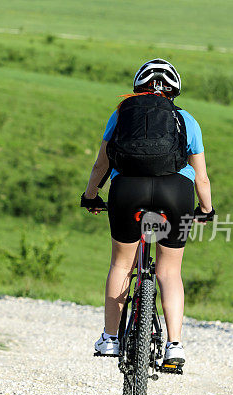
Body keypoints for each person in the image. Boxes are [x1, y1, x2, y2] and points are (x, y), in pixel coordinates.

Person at [80, 59, 214, 371]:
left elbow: (101, 165)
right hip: (176, 193)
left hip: (127, 190)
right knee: (169, 272)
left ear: (138, 88)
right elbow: (202, 178)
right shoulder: (186, 120)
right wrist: (206, 210)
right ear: (174, 92)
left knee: (122, 263)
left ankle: (110, 338)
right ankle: (174, 347)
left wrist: (90, 197)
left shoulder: (121, 114)